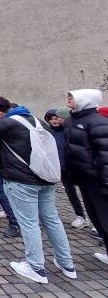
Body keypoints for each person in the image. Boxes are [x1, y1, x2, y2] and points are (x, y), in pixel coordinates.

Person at [0, 97, 76, 284]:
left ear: (0, 113)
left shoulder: (11, 123)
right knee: (52, 220)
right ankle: (67, 264)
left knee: (29, 223)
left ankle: (35, 267)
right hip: (45, 178)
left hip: (22, 181)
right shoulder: (38, 121)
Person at [64, 89, 108, 266]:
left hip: (98, 181)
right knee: (96, 219)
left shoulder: (98, 122)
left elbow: (105, 155)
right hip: (83, 179)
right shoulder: (71, 120)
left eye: (72, 96)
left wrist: (105, 182)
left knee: (105, 219)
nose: (68, 99)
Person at [44, 109, 88, 229]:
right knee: (70, 192)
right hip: (62, 168)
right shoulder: (49, 132)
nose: (54, 121)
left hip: (75, 166)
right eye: (51, 119)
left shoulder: (68, 130)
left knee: (86, 193)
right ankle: (80, 216)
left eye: (56, 118)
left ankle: (95, 218)